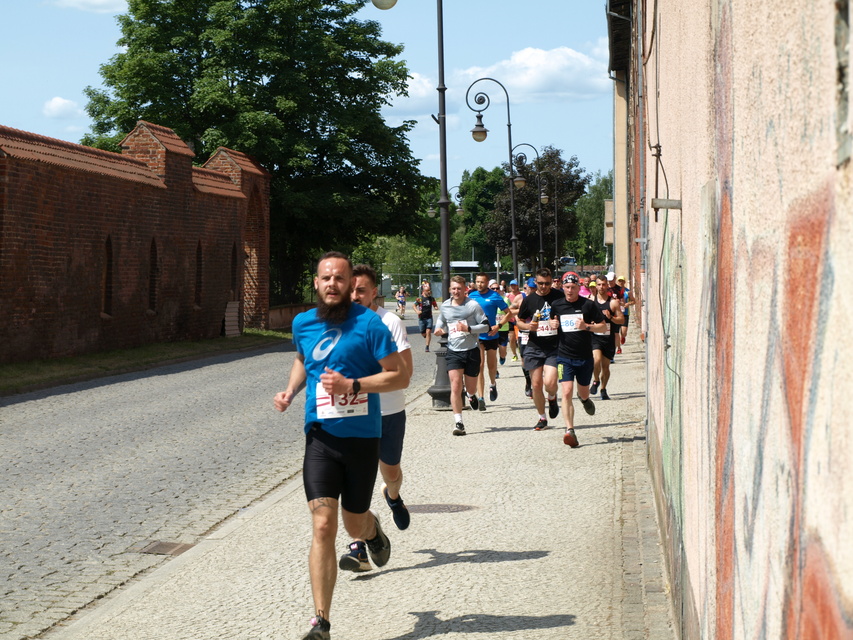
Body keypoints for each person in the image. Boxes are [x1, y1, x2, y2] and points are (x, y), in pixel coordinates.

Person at [273, 252, 410, 640]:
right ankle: (321, 622)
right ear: (316, 283)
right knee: (322, 525)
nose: (332, 283)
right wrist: (290, 390)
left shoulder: (369, 324)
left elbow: (399, 376)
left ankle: (372, 531)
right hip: (320, 437)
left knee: (354, 523)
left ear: (350, 285)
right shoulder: (303, 323)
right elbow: (303, 358)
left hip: (362, 439)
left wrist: (354, 385)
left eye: (339, 278)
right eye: (325, 278)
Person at [343, 263, 413, 559]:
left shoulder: (390, 322)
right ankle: (358, 545)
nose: (354, 296)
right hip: (352, 415)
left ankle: (392, 496)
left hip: (388, 412)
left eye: (361, 290)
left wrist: (361, 382)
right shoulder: (338, 324)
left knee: (390, 472)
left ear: (374, 292)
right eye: (351, 290)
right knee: (354, 480)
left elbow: (406, 374)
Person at [552, 271, 608, 447]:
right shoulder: (556, 305)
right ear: (563, 287)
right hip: (564, 356)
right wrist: (552, 324)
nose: (570, 290)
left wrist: (587, 326)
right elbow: (551, 322)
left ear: (579, 288)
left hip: (584, 357)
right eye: (567, 287)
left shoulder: (588, 305)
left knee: (583, 391)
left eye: (573, 287)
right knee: (566, 391)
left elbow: (603, 327)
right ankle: (570, 430)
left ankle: (584, 399)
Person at [433, 275, 490, 435]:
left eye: (459, 288)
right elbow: (441, 320)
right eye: (453, 288)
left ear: (465, 289)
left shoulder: (473, 305)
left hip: (471, 350)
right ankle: (459, 423)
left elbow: (486, 327)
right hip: (453, 351)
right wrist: (438, 329)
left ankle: (471, 395)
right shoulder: (445, 306)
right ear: (450, 290)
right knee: (456, 385)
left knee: (470, 387)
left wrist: (469, 329)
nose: (456, 291)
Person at [516, 268, 564, 430]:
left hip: (554, 346)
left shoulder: (559, 296)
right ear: (535, 282)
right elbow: (519, 321)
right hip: (534, 345)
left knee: (550, 382)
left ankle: (552, 396)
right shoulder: (529, 300)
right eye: (541, 283)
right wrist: (528, 326)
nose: (544, 287)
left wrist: (558, 323)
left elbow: (568, 314)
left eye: (547, 283)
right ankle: (542, 418)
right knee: (536, 385)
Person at [468, 273, 513, 409]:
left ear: (487, 283)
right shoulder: (471, 296)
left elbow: (509, 313)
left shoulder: (494, 296)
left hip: (491, 335)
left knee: (491, 366)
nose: (479, 284)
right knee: (480, 366)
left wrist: (498, 326)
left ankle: (493, 384)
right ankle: (481, 397)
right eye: (477, 282)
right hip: (477, 335)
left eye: (482, 282)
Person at [590, 274, 624, 400]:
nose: (601, 287)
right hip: (595, 337)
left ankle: (603, 389)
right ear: (596, 286)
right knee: (596, 360)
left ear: (607, 285)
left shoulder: (613, 303)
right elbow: (584, 317)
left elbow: (621, 320)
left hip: (608, 338)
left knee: (605, 367)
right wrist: (589, 323)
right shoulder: (590, 301)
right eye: (599, 284)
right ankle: (596, 380)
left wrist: (611, 317)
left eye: (604, 284)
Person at [413, 283, 438, 352]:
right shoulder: (419, 299)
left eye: (430, 290)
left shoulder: (431, 298)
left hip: (429, 317)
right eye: (427, 291)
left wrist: (436, 307)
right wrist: (417, 311)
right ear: (424, 291)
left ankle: (427, 346)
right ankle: (425, 336)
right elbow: (414, 305)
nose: (429, 292)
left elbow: (435, 304)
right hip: (421, 318)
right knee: (423, 333)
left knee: (428, 331)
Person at [616, 276, 635, 351]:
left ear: (624, 282)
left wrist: (628, 303)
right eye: (619, 281)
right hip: (617, 313)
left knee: (623, 332)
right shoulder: (615, 291)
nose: (620, 282)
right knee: (616, 332)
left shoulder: (628, 291)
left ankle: (623, 337)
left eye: (622, 281)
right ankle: (618, 347)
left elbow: (634, 301)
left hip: (625, 313)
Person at [505, 279, 523, 361]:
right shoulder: (508, 296)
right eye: (512, 285)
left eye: (514, 285)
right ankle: (514, 354)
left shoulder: (521, 295)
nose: (513, 287)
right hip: (510, 320)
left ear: (517, 286)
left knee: (519, 339)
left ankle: (521, 352)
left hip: (519, 319)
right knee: (512, 339)